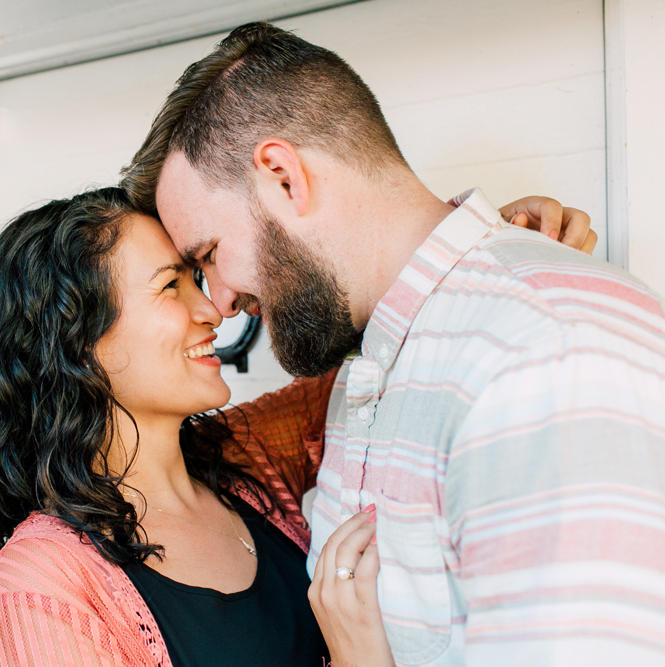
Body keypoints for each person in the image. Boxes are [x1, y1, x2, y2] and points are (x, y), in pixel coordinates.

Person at [121, 21, 665, 667]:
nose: (219, 303)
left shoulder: (542, 352)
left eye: (208, 256)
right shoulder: (375, 366)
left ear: (284, 177)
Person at [0, 186, 588, 667]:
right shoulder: (43, 586)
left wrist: (490, 245)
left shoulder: (245, 462)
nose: (211, 310)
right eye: (172, 287)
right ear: (77, 345)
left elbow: (401, 348)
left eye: (200, 277)